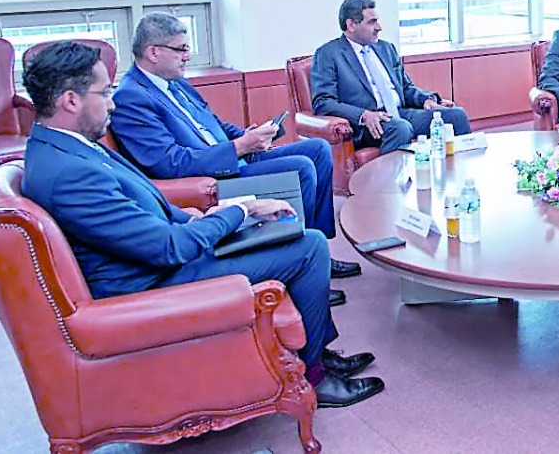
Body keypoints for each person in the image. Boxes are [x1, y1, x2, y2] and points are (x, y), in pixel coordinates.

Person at [20, 41, 384, 408]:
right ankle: (312, 377)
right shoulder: (70, 174)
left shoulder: (65, 148)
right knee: (308, 247)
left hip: (158, 255)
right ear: (70, 100)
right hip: (153, 282)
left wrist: (200, 215)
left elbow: (144, 200)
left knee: (286, 233)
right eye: (104, 92)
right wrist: (240, 210)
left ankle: (318, 352)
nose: (112, 102)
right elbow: (169, 248)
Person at [109, 13, 361, 289]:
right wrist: (239, 147)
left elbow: (214, 125)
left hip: (233, 157)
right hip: (214, 176)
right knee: (301, 166)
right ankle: (302, 257)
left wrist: (248, 136)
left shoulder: (176, 83)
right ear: (153, 52)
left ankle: (318, 246)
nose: (187, 56)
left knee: (317, 149)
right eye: (180, 49)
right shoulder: (130, 97)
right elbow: (169, 163)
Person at [311, 0, 471, 154]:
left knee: (456, 116)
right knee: (400, 128)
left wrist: (426, 101)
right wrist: (364, 115)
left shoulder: (386, 49)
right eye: (372, 22)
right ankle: (390, 179)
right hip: (367, 125)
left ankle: (459, 173)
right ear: (351, 24)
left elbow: (406, 87)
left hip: (399, 113)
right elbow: (323, 102)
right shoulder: (329, 54)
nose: (379, 27)